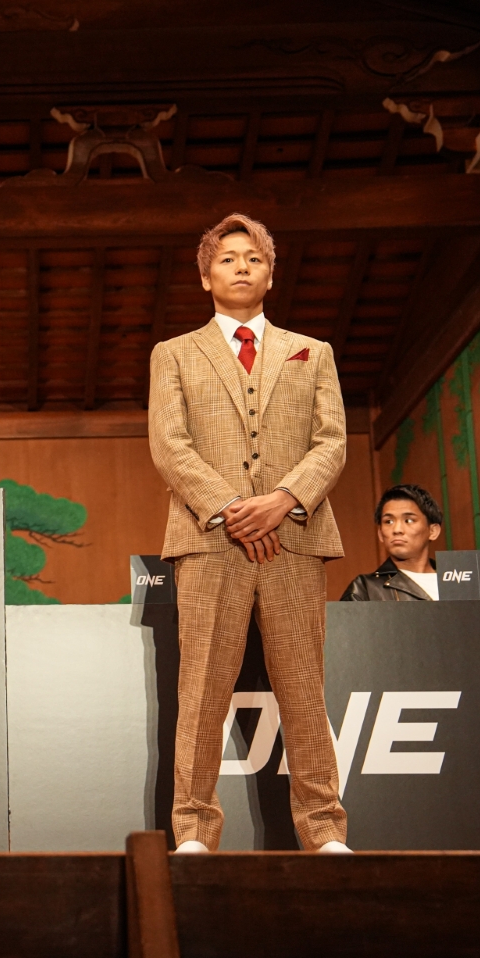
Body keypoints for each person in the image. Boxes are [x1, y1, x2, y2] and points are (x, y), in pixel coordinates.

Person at [148, 213, 350, 854]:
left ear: (271, 272)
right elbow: (170, 446)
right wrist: (234, 508)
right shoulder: (174, 353)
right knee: (202, 692)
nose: (241, 266)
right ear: (205, 276)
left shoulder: (312, 351)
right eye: (228, 258)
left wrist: (283, 501)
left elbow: (333, 442)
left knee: (304, 693)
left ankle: (324, 833)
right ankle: (194, 833)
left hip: (293, 538)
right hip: (211, 542)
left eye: (253, 257)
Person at [341, 485, 444, 601]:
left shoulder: (459, 580)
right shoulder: (365, 589)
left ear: (433, 531)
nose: (397, 529)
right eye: (388, 521)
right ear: (380, 533)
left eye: (409, 520)